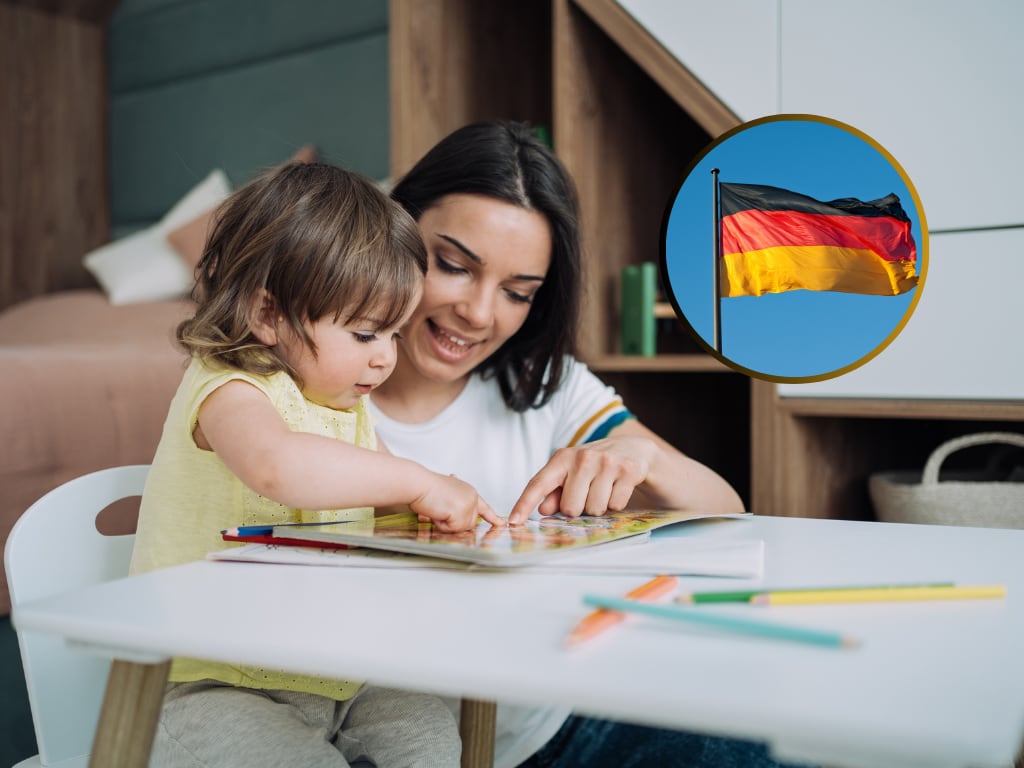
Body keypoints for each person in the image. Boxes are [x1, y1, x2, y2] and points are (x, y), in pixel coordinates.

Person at [369, 121, 812, 768]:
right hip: (380, 736)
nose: (481, 314)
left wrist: (643, 458)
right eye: (454, 267)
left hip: (552, 726)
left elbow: (726, 508)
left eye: (519, 292)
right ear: (394, 232)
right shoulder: (316, 388)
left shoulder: (540, 385)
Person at [130, 161, 503, 768]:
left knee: (430, 734)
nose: (385, 360)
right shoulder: (229, 388)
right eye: (365, 335)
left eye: (395, 333)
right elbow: (277, 466)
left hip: (335, 672)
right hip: (211, 684)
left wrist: (445, 518)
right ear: (268, 316)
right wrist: (418, 479)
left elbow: (387, 497)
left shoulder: (344, 405)